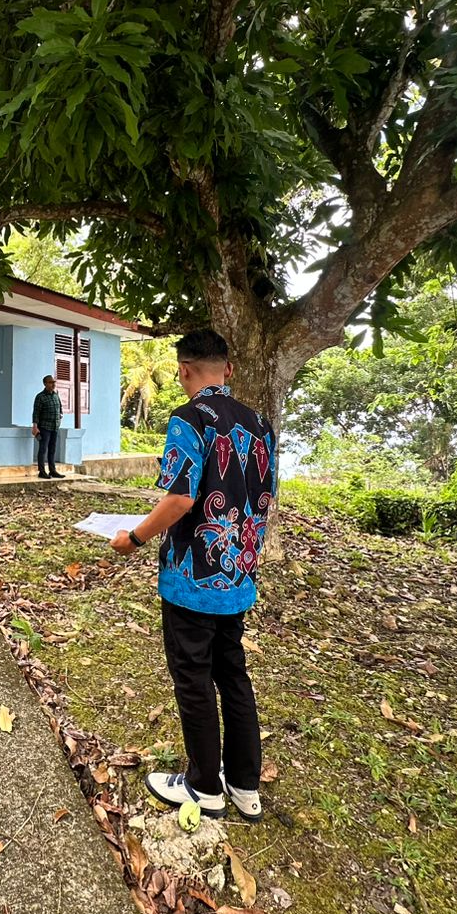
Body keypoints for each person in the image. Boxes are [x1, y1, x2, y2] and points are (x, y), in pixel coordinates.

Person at [108, 328, 276, 823]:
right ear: (230, 369)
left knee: (194, 681)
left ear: (183, 371)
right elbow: (262, 499)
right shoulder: (261, 423)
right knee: (233, 676)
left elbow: (180, 498)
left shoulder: (187, 420)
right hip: (238, 576)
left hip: (191, 581)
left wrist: (134, 538)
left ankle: (205, 787)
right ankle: (246, 787)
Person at [31, 374, 64, 479]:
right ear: (45, 384)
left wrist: (60, 415)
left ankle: (52, 470)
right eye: (50, 382)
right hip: (45, 427)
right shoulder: (40, 397)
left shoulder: (55, 395)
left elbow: (60, 407)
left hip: (55, 427)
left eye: (54, 382)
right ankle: (41, 471)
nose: (53, 384)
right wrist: (35, 426)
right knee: (43, 449)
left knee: (52, 449)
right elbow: (36, 412)